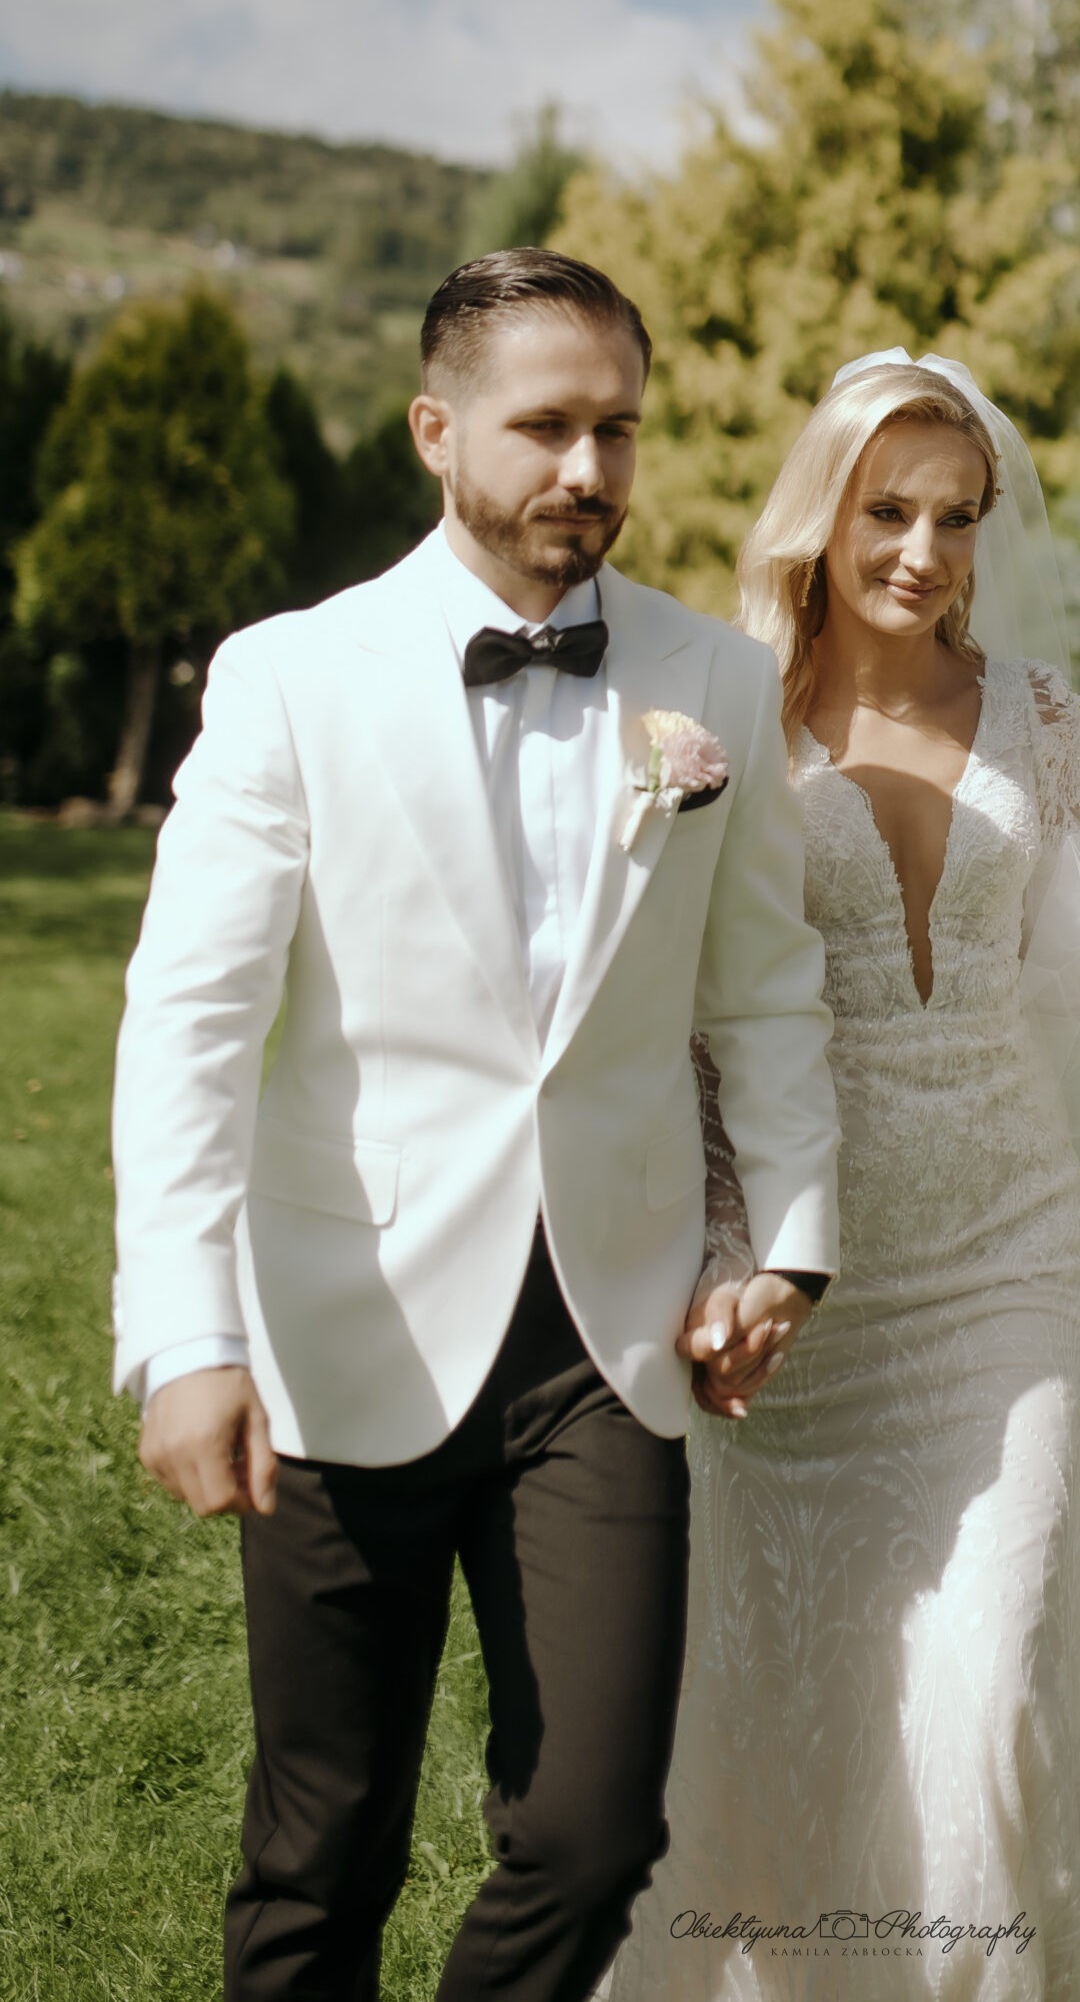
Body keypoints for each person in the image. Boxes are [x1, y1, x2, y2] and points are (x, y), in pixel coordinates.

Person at [109, 248, 840, 2002]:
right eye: (546, 427)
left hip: (604, 1337)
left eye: (619, 430)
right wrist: (189, 1337)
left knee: (591, 1832)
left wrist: (790, 1242)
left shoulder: (714, 683)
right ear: (437, 432)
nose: (589, 469)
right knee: (324, 1836)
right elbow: (192, 1023)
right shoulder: (290, 676)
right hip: (339, 1315)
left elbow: (763, 993)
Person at [613, 353, 1080, 2001]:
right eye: (889, 511)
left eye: (957, 517)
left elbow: (1064, 952)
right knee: (810, 1682)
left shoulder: (1037, 710)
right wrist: (731, 1250)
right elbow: (693, 1016)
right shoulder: (720, 714)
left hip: (1008, 1246)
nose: (924, 553)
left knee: (995, 1672)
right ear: (823, 513)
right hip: (804, 1279)